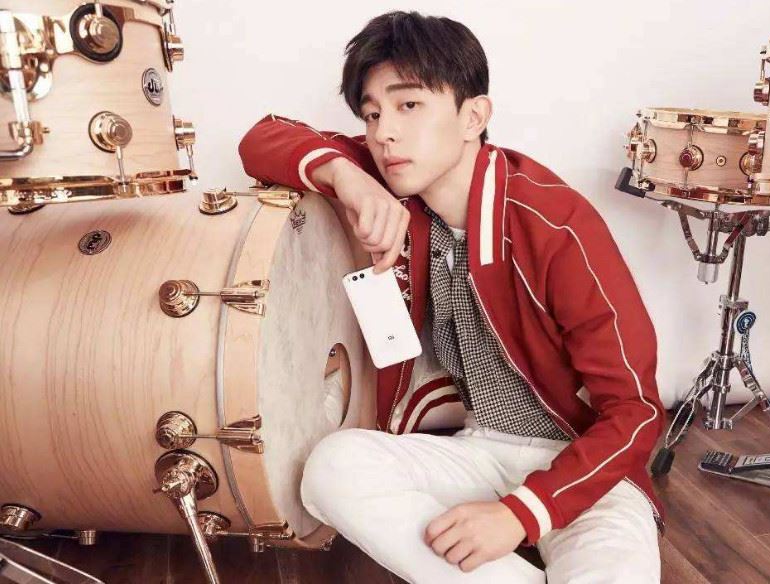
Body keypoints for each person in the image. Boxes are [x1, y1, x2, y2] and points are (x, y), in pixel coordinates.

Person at [238, 10, 665, 583]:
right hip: (478, 449)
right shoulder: (395, 184)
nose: (384, 133)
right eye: (371, 113)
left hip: (582, 468)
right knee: (331, 468)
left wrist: (521, 514)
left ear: (473, 117)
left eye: (409, 105)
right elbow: (261, 138)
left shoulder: (555, 224)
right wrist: (346, 177)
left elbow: (636, 413)